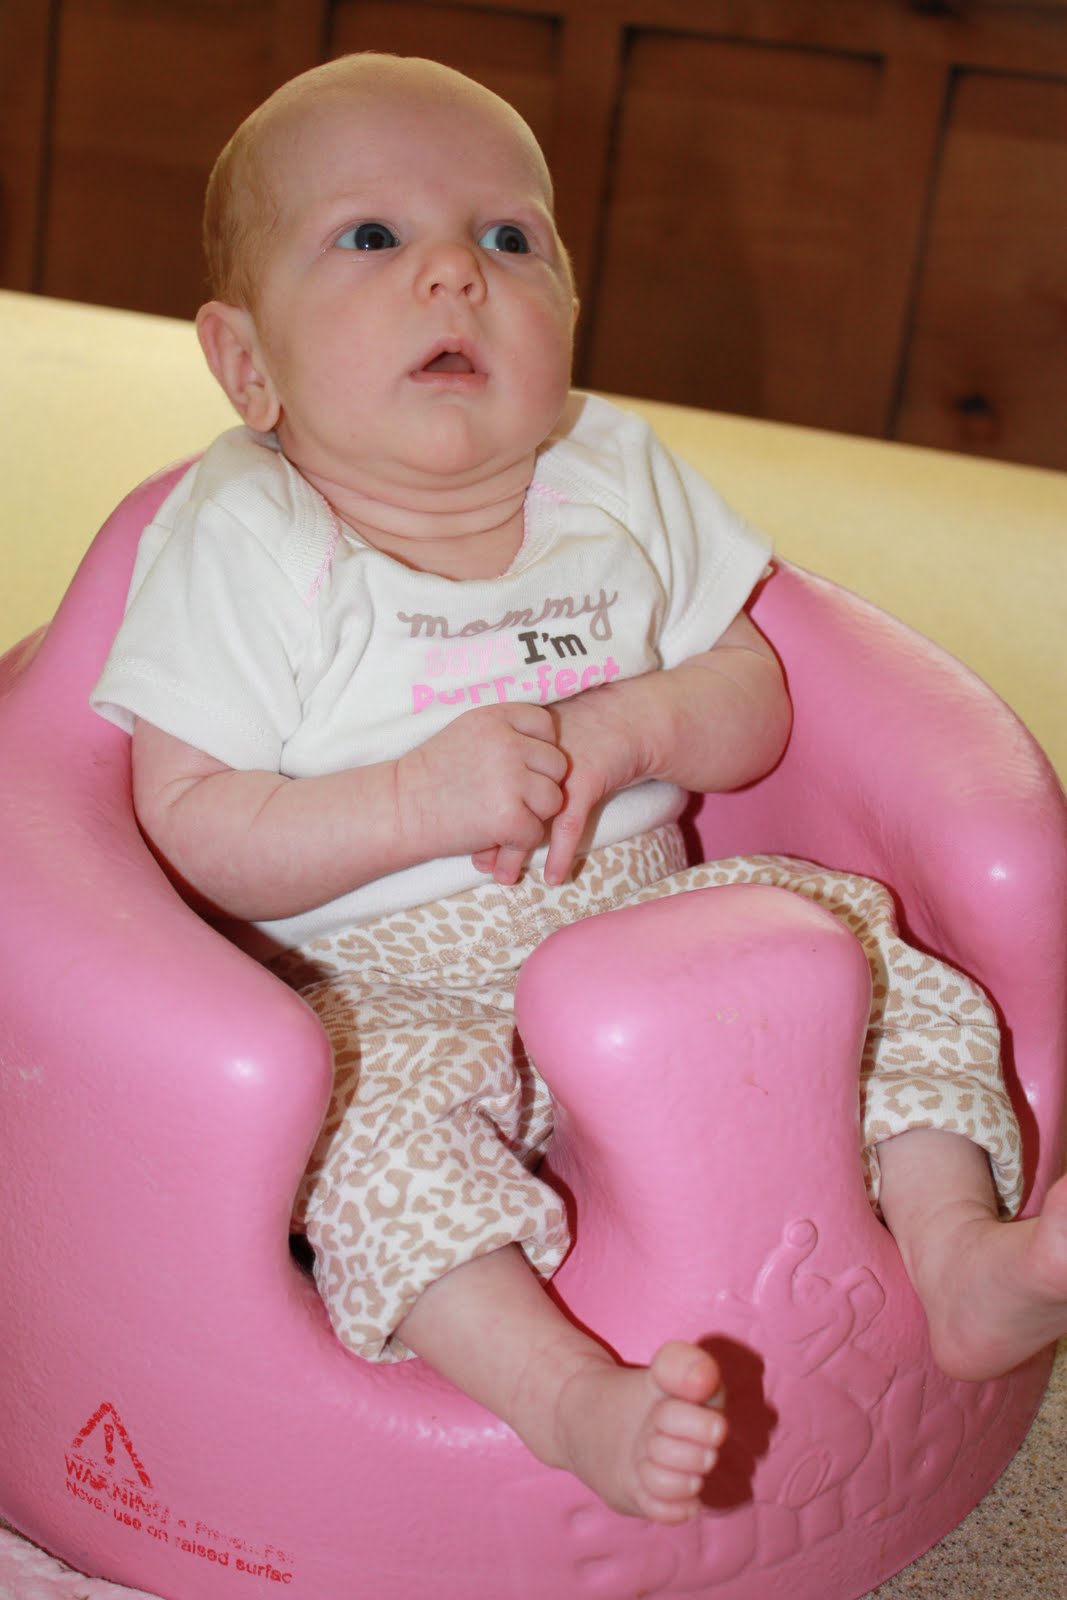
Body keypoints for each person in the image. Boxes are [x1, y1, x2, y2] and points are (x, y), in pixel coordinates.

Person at [90, 53, 1067, 1525]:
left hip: (658, 923)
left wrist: (630, 729)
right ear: (248, 364)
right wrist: (414, 803)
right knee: (354, 1152)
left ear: (569, 306)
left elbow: (753, 700)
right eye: (372, 238)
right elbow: (190, 826)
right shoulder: (240, 536)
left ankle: (960, 1254)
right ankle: (565, 1399)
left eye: (508, 239)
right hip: (388, 986)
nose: (453, 279)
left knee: (876, 950)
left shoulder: (612, 472)